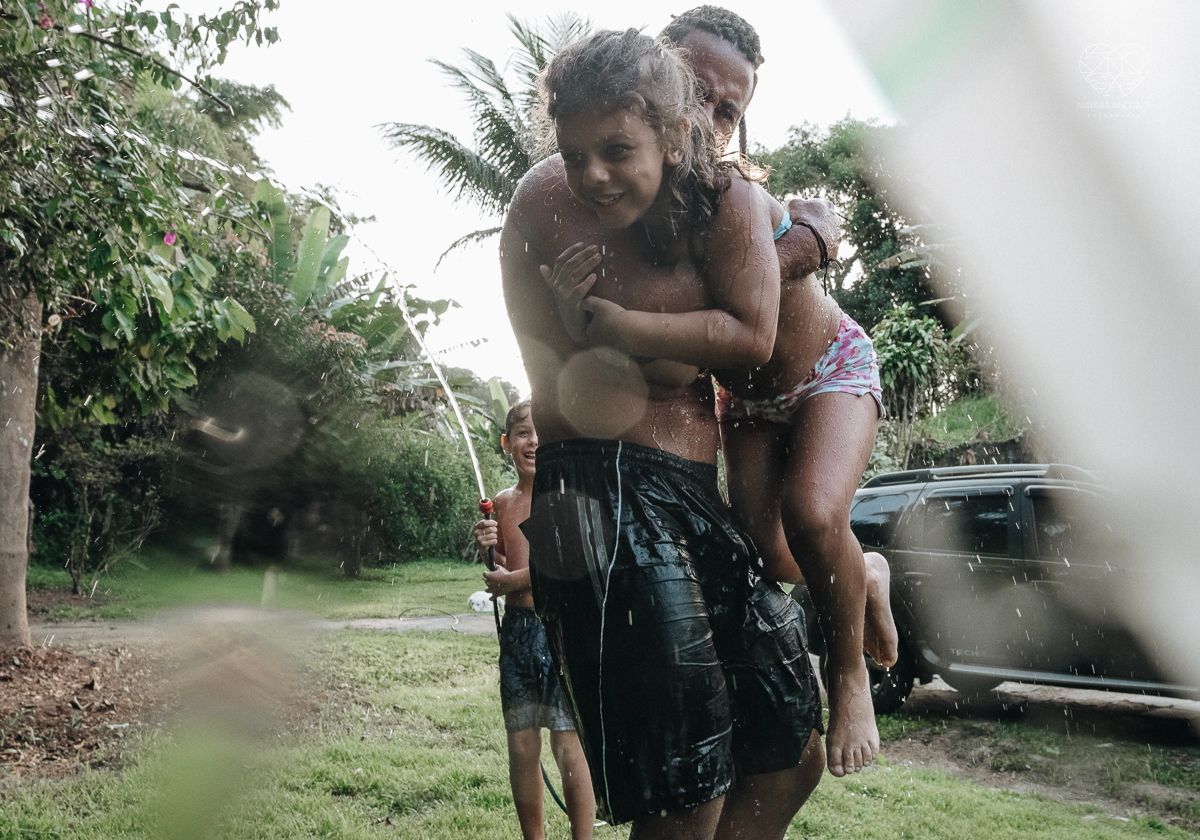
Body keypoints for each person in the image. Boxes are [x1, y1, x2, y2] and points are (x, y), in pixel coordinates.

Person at [503, 29, 823, 840]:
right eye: (698, 91)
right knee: (686, 791)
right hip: (603, 493)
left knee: (789, 743)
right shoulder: (556, 194)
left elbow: (726, 329)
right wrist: (790, 246)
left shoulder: (702, 199)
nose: (595, 172)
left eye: (729, 108)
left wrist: (759, 247)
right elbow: (674, 361)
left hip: (686, 494)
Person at [472, 401, 595, 840]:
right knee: (522, 745)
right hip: (519, 635)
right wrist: (489, 549)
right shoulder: (504, 503)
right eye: (522, 433)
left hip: (560, 629)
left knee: (568, 743)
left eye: (540, 432)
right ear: (507, 444)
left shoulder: (559, 496)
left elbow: (562, 572)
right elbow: (503, 566)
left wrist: (510, 583)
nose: (533, 441)